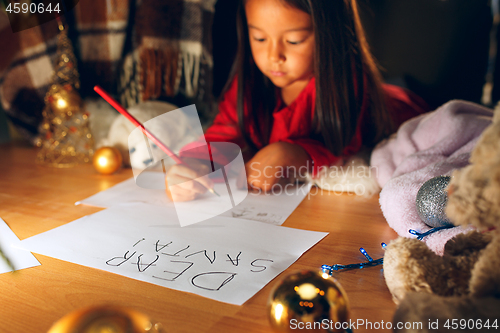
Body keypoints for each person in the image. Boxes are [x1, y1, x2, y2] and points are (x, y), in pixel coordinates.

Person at [165, 0, 429, 202]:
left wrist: (295, 153)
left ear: (330, 35)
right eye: (259, 38)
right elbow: (226, 130)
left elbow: (348, 147)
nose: (273, 55)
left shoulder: (347, 83)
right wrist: (198, 162)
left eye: (293, 40)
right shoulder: (251, 81)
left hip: (399, 103)